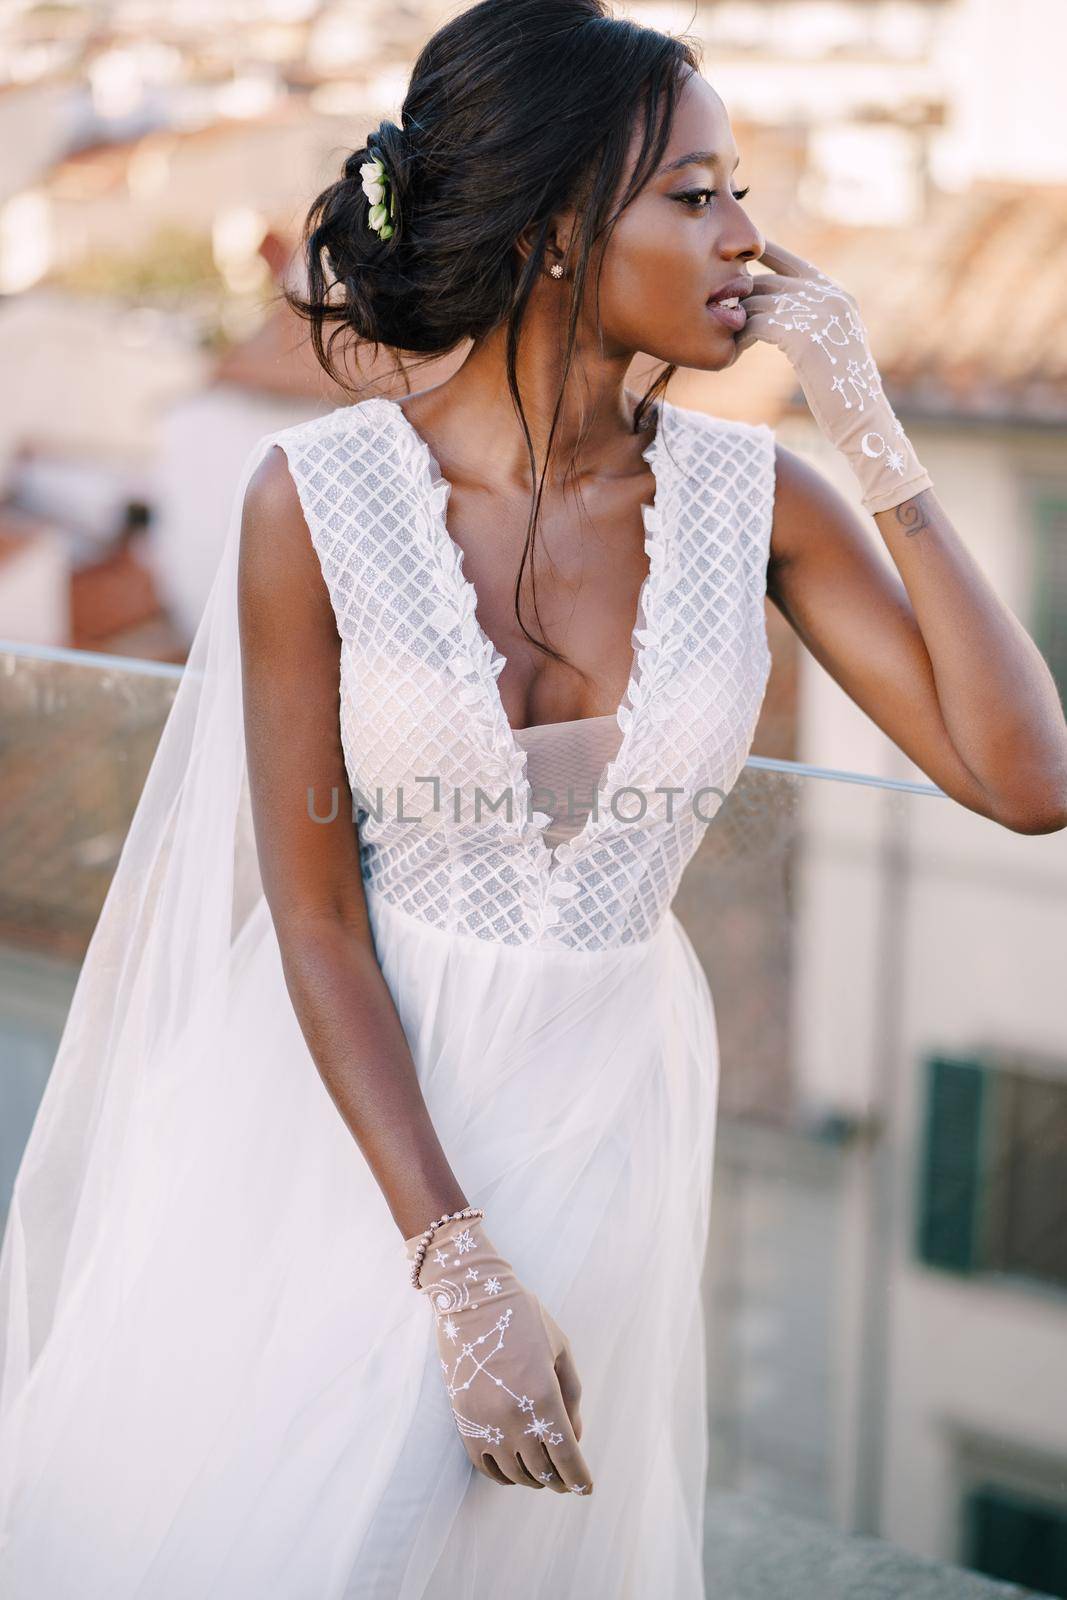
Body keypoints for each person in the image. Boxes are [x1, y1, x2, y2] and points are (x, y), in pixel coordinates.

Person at [2, 1, 1065, 1595]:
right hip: (359, 1128)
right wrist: (456, 1262)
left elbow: (1027, 781)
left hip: (601, 1113)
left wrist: (870, 421)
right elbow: (314, 919)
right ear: (560, 231)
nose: (747, 239)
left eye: (740, 191)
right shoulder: (315, 502)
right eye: (695, 195)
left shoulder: (760, 500)